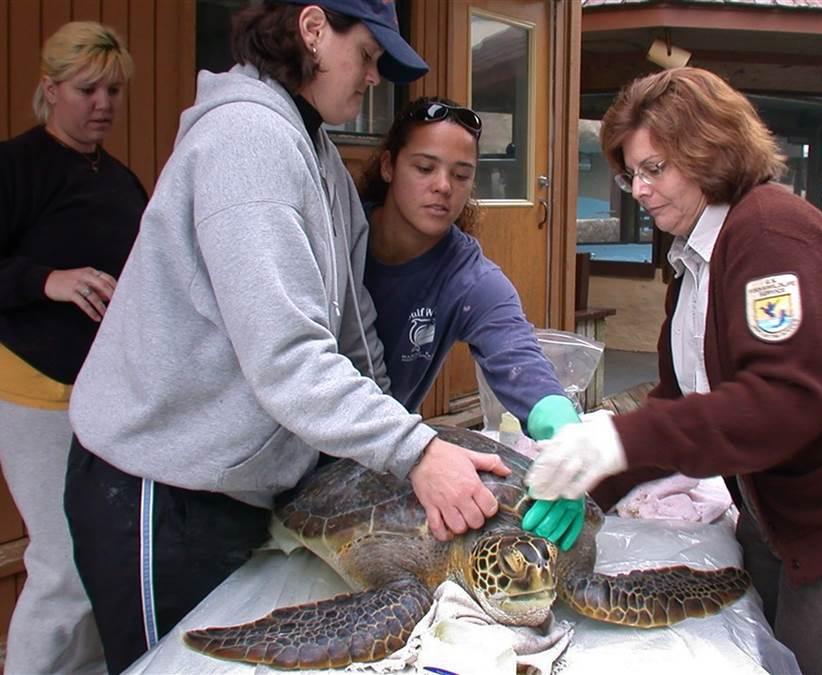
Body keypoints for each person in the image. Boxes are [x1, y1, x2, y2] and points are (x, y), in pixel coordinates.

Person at [61, 3, 508, 672]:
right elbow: (288, 359)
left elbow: (354, 334)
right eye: (367, 54)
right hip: (159, 484)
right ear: (312, 28)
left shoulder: (317, 151)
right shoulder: (248, 140)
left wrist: (388, 460)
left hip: (234, 485)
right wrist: (415, 451)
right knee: (178, 663)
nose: (375, 77)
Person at [525, 67, 822, 675]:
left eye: (658, 168)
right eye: (632, 175)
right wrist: (582, 484)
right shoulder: (696, 257)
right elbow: (683, 400)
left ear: (710, 150)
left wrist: (614, 440)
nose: (642, 191)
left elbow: (785, 402)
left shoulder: (770, 235)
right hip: (783, 508)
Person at [0, 20, 144, 675]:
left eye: (113, 90)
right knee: (65, 558)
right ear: (50, 90)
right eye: (86, 89)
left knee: (106, 552)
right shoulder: (7, 168)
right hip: (29, 387)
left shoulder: (119, 179)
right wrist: (43, 280)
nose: (102, 103)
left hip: (102, 395)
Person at [359, 96, 586, 551]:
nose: (443, 186)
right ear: (388, 166)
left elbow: (517, 358)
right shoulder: (335, 237)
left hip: (377, 463)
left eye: (461, 175)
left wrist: (564, 433)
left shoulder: (468, 278)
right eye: (425, 168)